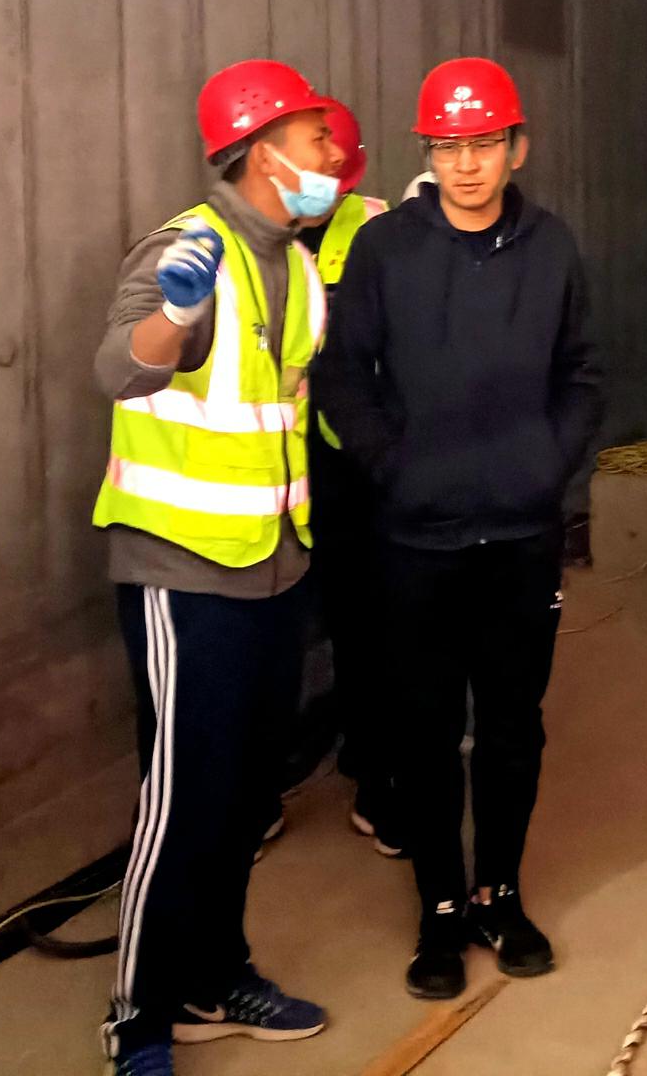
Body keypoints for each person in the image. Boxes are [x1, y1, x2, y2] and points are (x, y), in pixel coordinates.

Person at [326, 57, 604, 1001]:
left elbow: (582, 375)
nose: (466, 165)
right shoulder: (386, 250)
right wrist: (393, 467)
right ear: (428, 154)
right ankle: (440, 906)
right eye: (447, 147)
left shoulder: (552, 248)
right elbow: (342, 377)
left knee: (514, 724)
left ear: (516, 147)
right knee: (426, 728)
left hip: (521, 537)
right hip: (417, 542)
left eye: (484, 144)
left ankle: (502, 893)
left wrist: (545, 465)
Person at [92, 59, 347, 1075]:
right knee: (183, 799)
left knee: (245, 795)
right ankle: (138, 1021)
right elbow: (121, 367)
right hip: (182, 571)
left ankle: (214, 977)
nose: (332, 153)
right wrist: (176, 315)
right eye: (316, 137)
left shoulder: (295, 261)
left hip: (272, 566)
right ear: (264, 153)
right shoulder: (186, 250)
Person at [295, 99, 401, 857]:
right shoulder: (245, 238)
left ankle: (375, 769)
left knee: (368, 627)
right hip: (265, 469)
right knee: (273, 635)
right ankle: (258, 785)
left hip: (352, 464)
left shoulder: (378, 229)